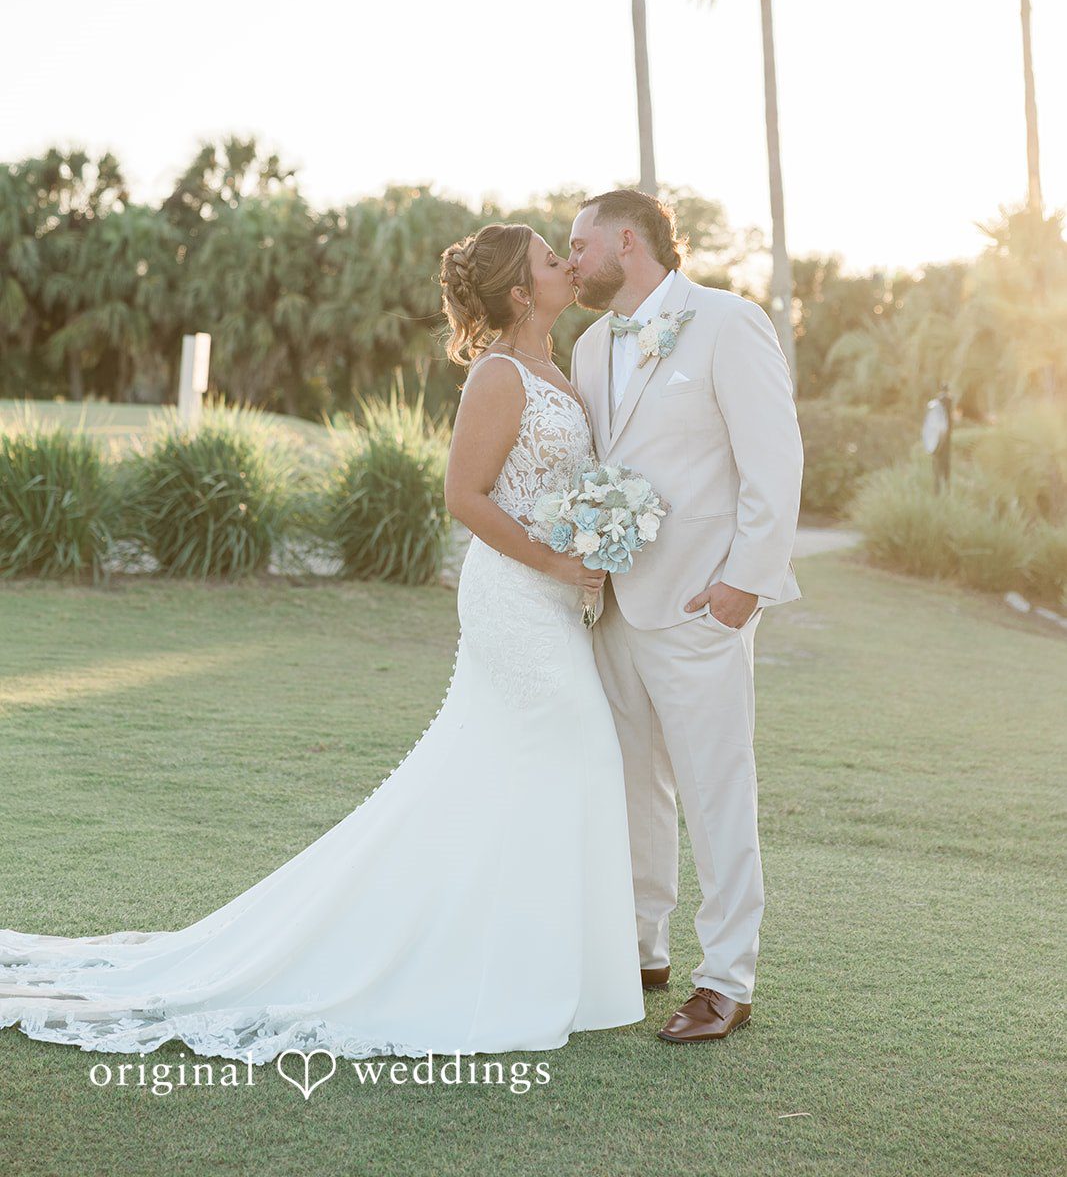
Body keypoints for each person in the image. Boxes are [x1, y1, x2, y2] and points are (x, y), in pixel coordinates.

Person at [0, 223, 644, 1063]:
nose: (568, 266)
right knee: (567, 748)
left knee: (532, 766)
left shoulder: (563, 369)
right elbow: (464, 495)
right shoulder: (498, 374)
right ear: (522, 292)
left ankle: (539, 962)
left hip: (556, 599)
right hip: (516, 599)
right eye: (552, 260)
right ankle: (493, 965)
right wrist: (556, 561)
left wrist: (594, 543)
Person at [568, 190, 804, 1043]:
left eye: (579, 244)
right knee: (631, 785)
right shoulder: (590, 345)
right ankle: (640, 949)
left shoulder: (727, 322)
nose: (569, 260)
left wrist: (745, 582)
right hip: (612, 605)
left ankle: (726, 981)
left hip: (702, 603)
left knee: (715, 792)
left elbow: (774, 460)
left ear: (627, 241)